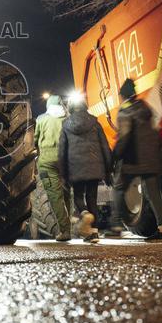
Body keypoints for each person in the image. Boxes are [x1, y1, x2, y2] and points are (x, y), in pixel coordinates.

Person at [110, 78, 162, 241]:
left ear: (122, 96)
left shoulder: (125, 111)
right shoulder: (145, 107)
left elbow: (124, 137)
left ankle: (116, 226)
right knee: (153, 194)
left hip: (133, 159)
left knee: (118, 188)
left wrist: (114, 156)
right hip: (151, 158)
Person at [59, 96, 112, 243]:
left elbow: (62, 151)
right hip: (95, 166)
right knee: (92, 198)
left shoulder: (66, 124)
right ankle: (94, 233)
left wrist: (63, 174)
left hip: (75, 168)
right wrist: (109, 169)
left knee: (78, 197)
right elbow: (105, 147)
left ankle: (84, 213)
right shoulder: (95, 122)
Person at [34, 94, 71, 241]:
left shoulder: (41, 119)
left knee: (55, 197)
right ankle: (69, 227)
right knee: (67, 194)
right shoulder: (67, 119)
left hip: (47, 162)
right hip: (65, 160)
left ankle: (65, 230)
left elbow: (35, 140)